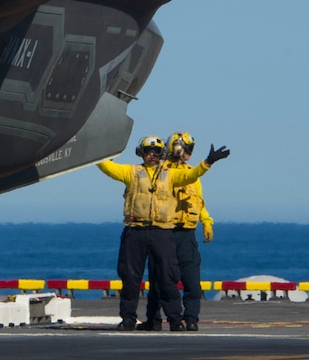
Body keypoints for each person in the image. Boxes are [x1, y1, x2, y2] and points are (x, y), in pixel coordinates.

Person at [98, 135, 229, 332]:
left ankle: (176, 320)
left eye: (157, 151)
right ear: (141, 153)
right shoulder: (131, 172)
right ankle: (129, 319)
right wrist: (94, 152)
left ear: (162, 153)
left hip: (162, 231)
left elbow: (191, 177)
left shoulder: (170, 174)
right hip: (135, 231)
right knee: (130, 278)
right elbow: (108, 168)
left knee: (168, 278)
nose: (152, 154)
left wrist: (208, 162)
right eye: (148, 151)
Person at [141, 132, 213, 331]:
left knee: (191, 278)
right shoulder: (161, 172)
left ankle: (191, 318)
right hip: (164, 231)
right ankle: (153, 319)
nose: (189, 153)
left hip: (187, 233)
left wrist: (206, 221)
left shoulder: (192, 174)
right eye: (187, 148)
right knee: (157, 278)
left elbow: (198, 201)